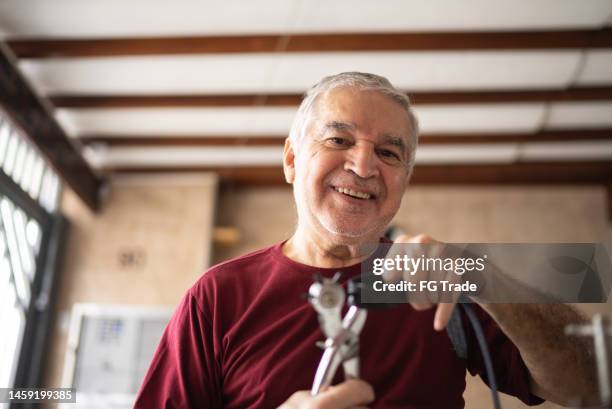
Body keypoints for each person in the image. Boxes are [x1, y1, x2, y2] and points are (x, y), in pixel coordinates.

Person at [134, 72, 597, 409]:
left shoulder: (446, 283)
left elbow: (592, 385)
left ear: (404, 180)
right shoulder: (218, 297)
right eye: (339, 140)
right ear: (292, 160)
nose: (363, 165)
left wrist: (480, 272)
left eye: (389, 152)